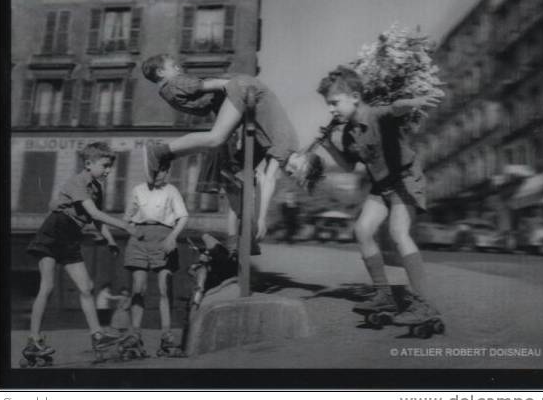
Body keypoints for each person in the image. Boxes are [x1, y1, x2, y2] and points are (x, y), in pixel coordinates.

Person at [140, 54, 324, 254]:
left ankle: (242, 236)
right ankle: (159, 151)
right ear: (303, 155)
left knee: (236, 176)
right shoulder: (287, 145)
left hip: (249, 102)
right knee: (217, 137)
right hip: (246, 90)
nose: (290, 170)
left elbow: (269, 176)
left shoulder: (285, 150)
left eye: (293, 175)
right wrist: (262, 219)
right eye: (297, 167)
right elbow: (269, 180)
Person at [316, 66, 442, 324]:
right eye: (328, 105)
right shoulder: (349, 133)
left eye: (334, 103)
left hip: (405, 180)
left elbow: (396, 108)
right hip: (381, 186)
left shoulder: (374, 115)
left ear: (354, 96)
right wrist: (328, 145)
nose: (331, 109)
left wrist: (416, 101)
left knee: (398, 233)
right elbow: (349, 166)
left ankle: (426, 305)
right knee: (362, 230)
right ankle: (384, 295)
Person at [23, 142, 140, 363]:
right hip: (54, 231)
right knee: (47, 287)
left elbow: (96, 218)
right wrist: (124, 226)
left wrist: (111, 240)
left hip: (71, 237)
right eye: (105, 166)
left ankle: (97, 335)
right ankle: (34, 340)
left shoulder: (97, 189)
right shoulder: (76, 182)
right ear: (88, 164)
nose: (108, 171)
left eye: (110, 167)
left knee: (86, 287)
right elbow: (94, 212)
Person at [122, 165, 189, 356]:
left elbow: (183, 216)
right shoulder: (138, 190)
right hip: (140, 237)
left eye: (163, 172)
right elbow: (126, 217)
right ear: (147, 172)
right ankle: (135, 335)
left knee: (164, 289)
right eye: (154, 172)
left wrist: (172, 237)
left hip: (164, 236)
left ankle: (166, 336)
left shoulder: (171, 190)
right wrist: (132, 230)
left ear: (168, 173)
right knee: (138, 288)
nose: (158, 175)